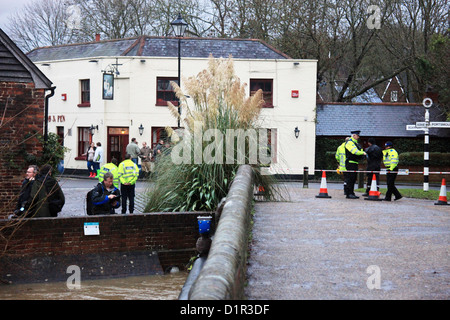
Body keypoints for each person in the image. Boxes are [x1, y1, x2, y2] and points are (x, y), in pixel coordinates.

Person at [344, 130, 366, 199]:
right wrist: (362, 153)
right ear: (354, 135)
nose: (358, 137)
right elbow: (354, 152)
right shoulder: (350, 143)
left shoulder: (355, 143)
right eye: (357, 135)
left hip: (354, 162)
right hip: (350, 163)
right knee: (350, 179)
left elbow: (359, 150)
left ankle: (351, 193)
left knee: (353, 179)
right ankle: (349, 194)